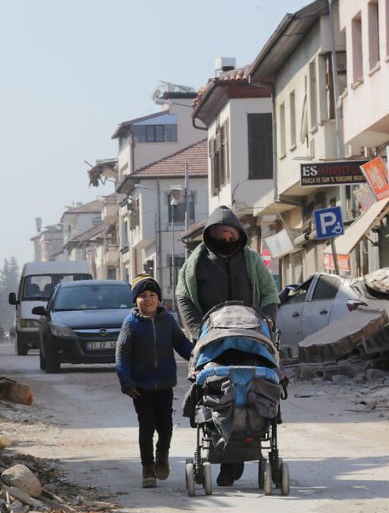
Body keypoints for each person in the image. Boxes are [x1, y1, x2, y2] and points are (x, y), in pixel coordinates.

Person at [174, 205, 280, 487]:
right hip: (214, 341)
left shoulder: (251, 260)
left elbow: (269, 293)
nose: (227, 238)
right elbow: (183, 296)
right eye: (221, 233)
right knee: (219, 394)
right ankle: (225, 458)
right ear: (210, 235)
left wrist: (267, 320)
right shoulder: (197, 262)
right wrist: (198, 331)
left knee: (248, 393)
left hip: (250, 338)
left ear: (239, 234)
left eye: (231, 233)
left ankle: (238, 458)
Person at [116, 276, 194, 488]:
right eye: (142, 295)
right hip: (140, 388)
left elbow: (182, 344)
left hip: (165, 385)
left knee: (166, 427)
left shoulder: (167, 320)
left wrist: (199, 359)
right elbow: (122, 354)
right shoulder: (130, 324)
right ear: (135, 300)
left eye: (152, 295)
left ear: (159, 299)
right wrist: (126, 382)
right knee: (146, 427)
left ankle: (162, 455)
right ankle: (147, 469)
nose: (147, 299)